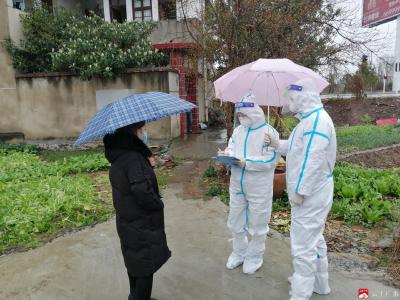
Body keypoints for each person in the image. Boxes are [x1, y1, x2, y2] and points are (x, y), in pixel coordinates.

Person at [264, 78, 337, 300]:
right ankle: (318, 283)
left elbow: (312, 160)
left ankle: (301, 291)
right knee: (314, 239)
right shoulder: (310, 121)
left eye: (292, 97)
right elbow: (298, 149)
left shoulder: (316, 122)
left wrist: (300, 191)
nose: (290, 102)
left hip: (311, 194)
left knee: (303, 244)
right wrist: (278, 144)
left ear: (303, 98)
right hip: (312, 193)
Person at [104, 122, 171, 300]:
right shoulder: (133, 158)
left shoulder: (120, 155)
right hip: (141, 222)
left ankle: (134, 297)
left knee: (134, 262)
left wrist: (146, 160)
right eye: (142, 130)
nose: (145, 133)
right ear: (133, 133)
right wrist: (158, 204)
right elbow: (142, 191)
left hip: (127, 220)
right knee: (145, 267)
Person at [222, 94, 279, 274]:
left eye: (243, 115)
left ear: (254, 113)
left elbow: (271, 159)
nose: (240, 118)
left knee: (258, 223)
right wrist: (226, 154)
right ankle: (239, 252)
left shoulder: (269, 133)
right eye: (239, 115)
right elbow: (232, 146)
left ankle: (255, 256)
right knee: (235, 220)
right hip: (237, 184)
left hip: (258, 187)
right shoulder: (239, 131)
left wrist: (247, 162)